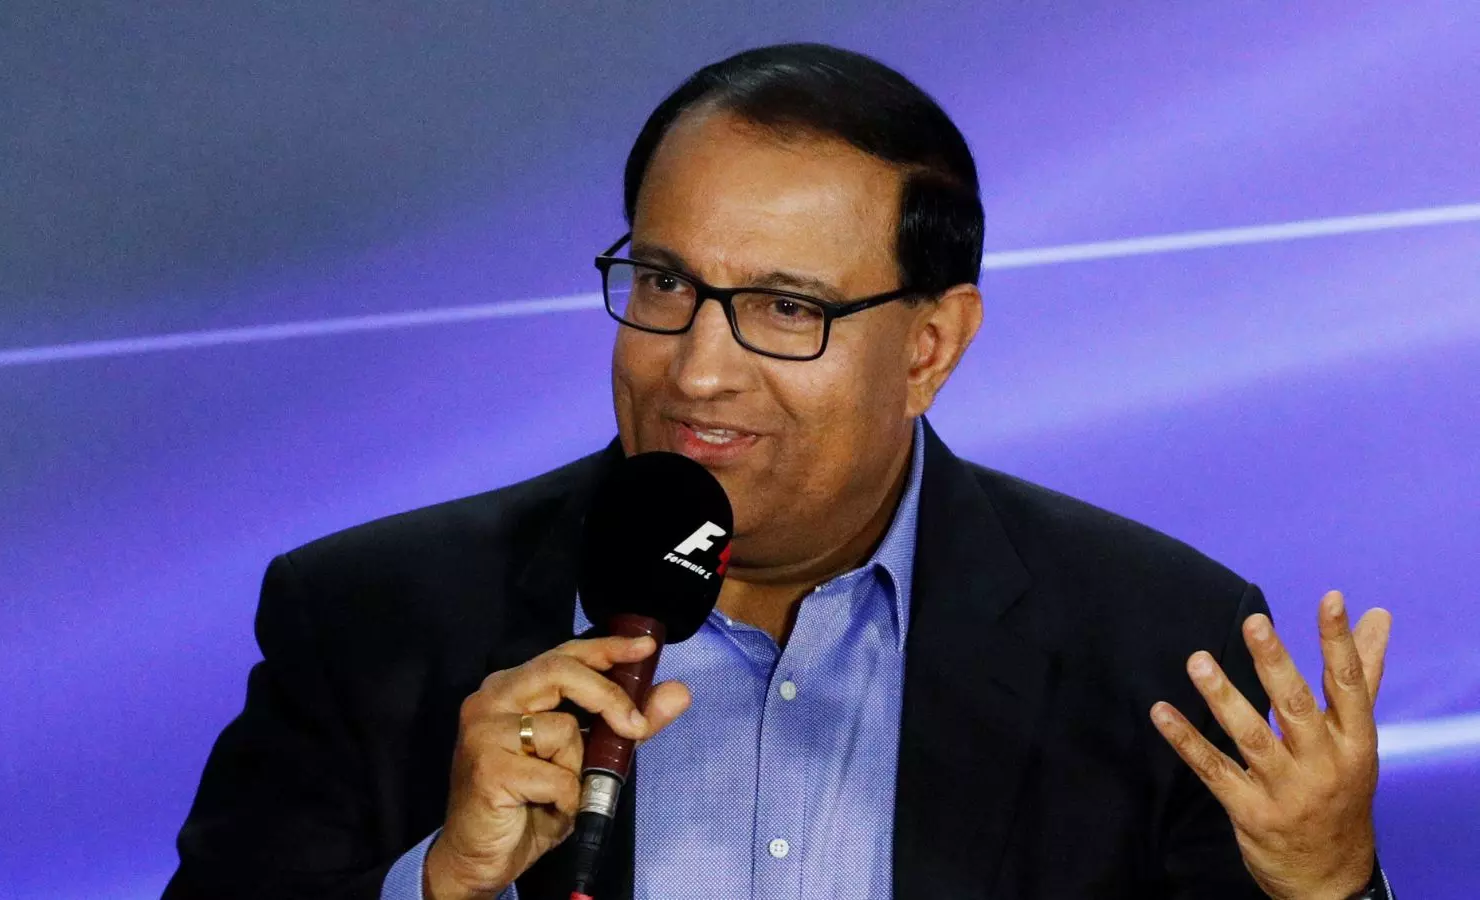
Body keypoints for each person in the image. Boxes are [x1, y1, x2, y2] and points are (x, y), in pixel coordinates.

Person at [166, 43, 1396, 900]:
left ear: (930, 346)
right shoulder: (371, 619)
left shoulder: (1160, 647)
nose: (697, 371)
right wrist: (439, 887)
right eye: (664, 283)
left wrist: (1329, 890)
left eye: (785, 308)